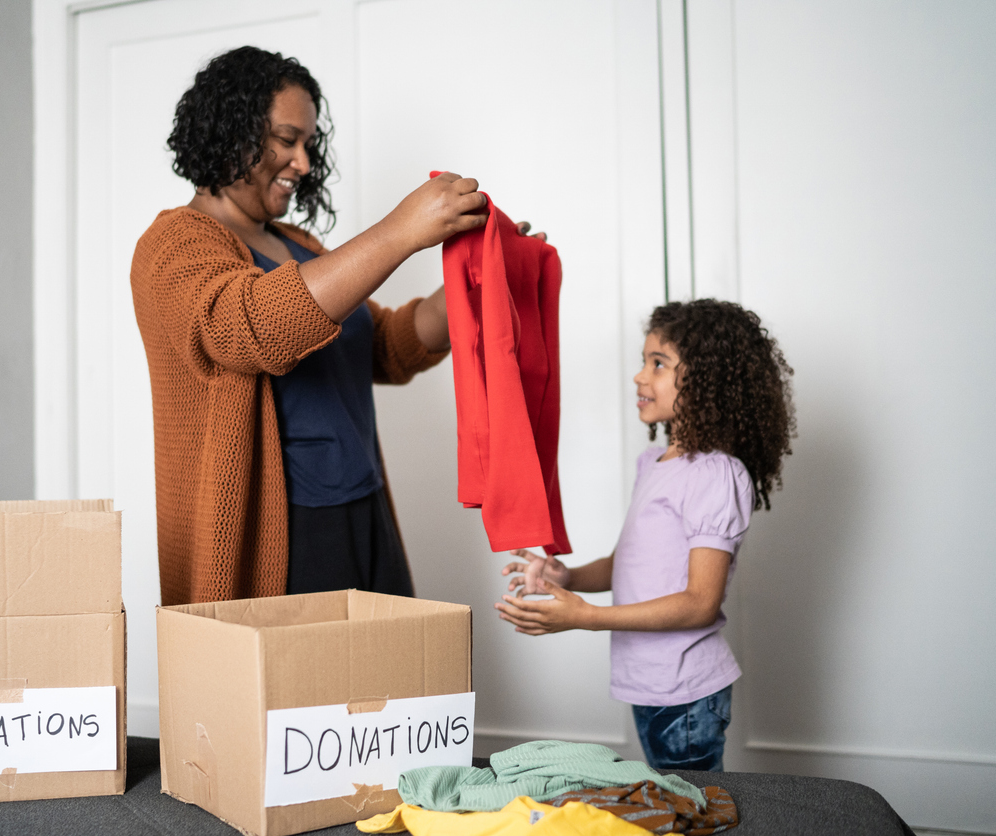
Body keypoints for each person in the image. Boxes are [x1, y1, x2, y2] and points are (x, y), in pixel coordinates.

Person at [131, 46, 541, 606]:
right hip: (285, 533)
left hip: (364, 508)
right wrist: (400, 232)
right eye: (286, 139)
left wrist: (475, 291)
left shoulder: (297, 246)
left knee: (395, 691)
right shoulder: (175, 244)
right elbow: (244, 327)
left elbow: (382, 348)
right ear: (230, 130)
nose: (302, 162)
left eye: (308, 144)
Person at [496, 299, 795, 771]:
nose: (640, 376)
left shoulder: (717, 474)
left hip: (685, 693)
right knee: (668, 804)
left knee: (691, 812)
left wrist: (587, 617)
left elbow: (699, 601)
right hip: (649, 683)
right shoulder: (651, 464)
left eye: (658, 364)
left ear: (708, 381)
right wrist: (568, 576)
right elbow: (625, 565)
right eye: (643, 361)